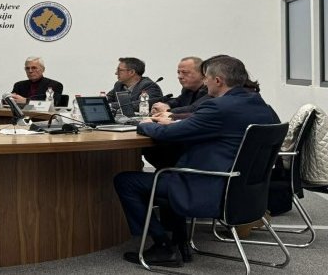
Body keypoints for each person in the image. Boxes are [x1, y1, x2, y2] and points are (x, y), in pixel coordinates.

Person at [113, 56, 278, 268]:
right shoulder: (261, 106)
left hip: (208, 188)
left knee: (126, 181)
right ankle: (178, 240)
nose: (205, 82)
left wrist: (144, 124)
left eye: (206, 78)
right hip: (244, 191)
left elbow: (168, 134)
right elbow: (201, 124)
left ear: (218, 81)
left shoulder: (218, 107)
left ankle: (163, 246)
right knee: (169, 168)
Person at [143, 56, 209, 169]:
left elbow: (194, 108)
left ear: (203, 74)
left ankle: (170, 175)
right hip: (185, 136)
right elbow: (178, 101)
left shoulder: (210, 90)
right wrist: (165, 105)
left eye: (185, 73)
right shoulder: (187, 90)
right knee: (151, 148)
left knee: (156, 148)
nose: (180, 76)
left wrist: (168, 111)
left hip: (197, 144)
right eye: (178, 72)